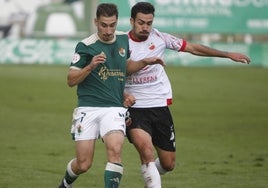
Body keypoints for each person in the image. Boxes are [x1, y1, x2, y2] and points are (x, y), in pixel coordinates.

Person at [124, 2, 251, 188]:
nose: (145, 27)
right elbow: (115, 72)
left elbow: (193, 48)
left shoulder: (160, 38)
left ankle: (151, 179)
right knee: (146, 152)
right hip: (134, 107)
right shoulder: (121, 43)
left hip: (159, 105)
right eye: (141, 22)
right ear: (132, 21)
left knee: (168, 164)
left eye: (149, 23)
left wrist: (227, 54)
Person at [58, 3, 163, 188]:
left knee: (115, 151)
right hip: (88, 108)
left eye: (112, 25)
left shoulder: (123, 39)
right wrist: (90, 66)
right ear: (96, 22)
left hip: (114, 108)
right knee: (84, 164)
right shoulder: (85, 46)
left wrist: (144, 62)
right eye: (104, 25)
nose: (108, 30)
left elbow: (126, 67)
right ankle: (66, 183)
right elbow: (71, 80)